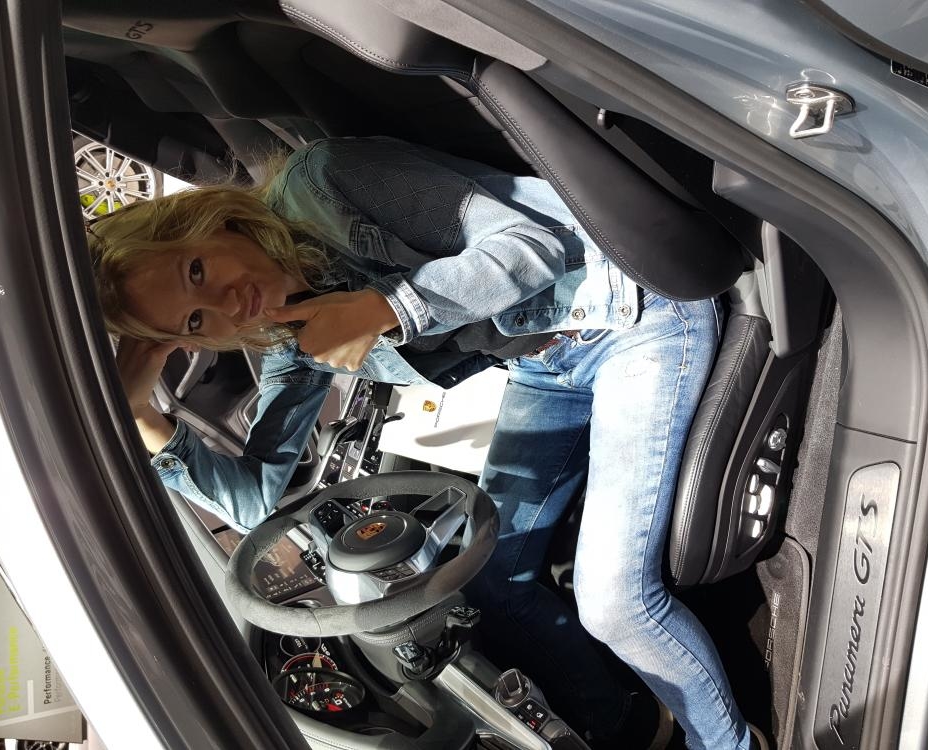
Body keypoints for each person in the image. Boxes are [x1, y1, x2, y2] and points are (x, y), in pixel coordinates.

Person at [88, 136, 763, 749]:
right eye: (196, 321)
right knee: (490, 581)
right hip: (546, 366)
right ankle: (631, 726)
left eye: (196, 272)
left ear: (207, 221)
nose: (228, 305)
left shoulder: (327, 180)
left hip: (630, 310)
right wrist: (141, 413)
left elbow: (532, 242)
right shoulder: (287, 339)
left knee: (615, 603)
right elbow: (256, 501)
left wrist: (388, 308)